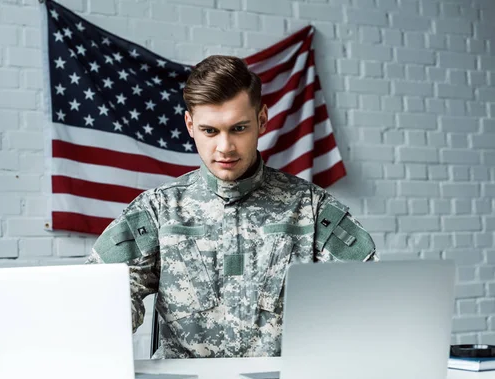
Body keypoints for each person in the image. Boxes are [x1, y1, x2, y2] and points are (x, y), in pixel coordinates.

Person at [86, 55, 378, 359]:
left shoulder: (311, 208)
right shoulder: (158, 210)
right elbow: (97, 302)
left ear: (262, 121)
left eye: (238, 128)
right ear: (190, 125)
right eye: (210, 131)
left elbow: (370, 299)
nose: (225, 147)